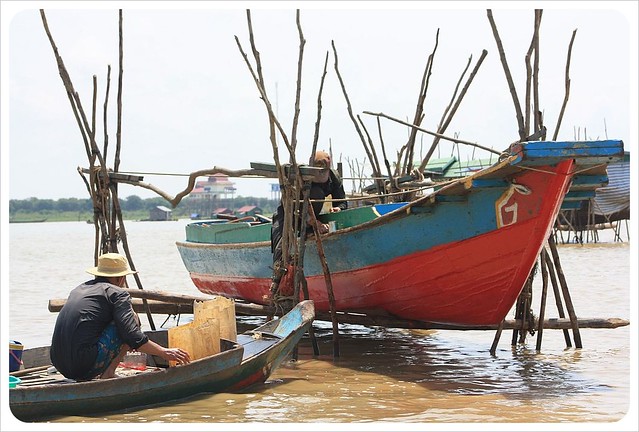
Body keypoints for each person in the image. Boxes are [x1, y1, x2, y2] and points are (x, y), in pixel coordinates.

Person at [50, 253, 191, 380]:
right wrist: (164, 352)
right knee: (132, 319)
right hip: (83, 364)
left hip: (59, 363)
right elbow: (132, 336)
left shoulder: (79, 289)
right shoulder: (118, 293)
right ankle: (109, 372)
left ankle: (106, 370)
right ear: (120, 278)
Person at [270, 150, 348, 265]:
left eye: (322, 174)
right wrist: (316, 223)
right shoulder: (302, 178)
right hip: (289, 214)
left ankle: (308, 230)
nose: (319, 177)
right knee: (281, 249)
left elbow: (341, 201)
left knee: (318, 195)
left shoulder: (333, 177)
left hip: (312, 218)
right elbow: (296, 209)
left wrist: (338, 209)